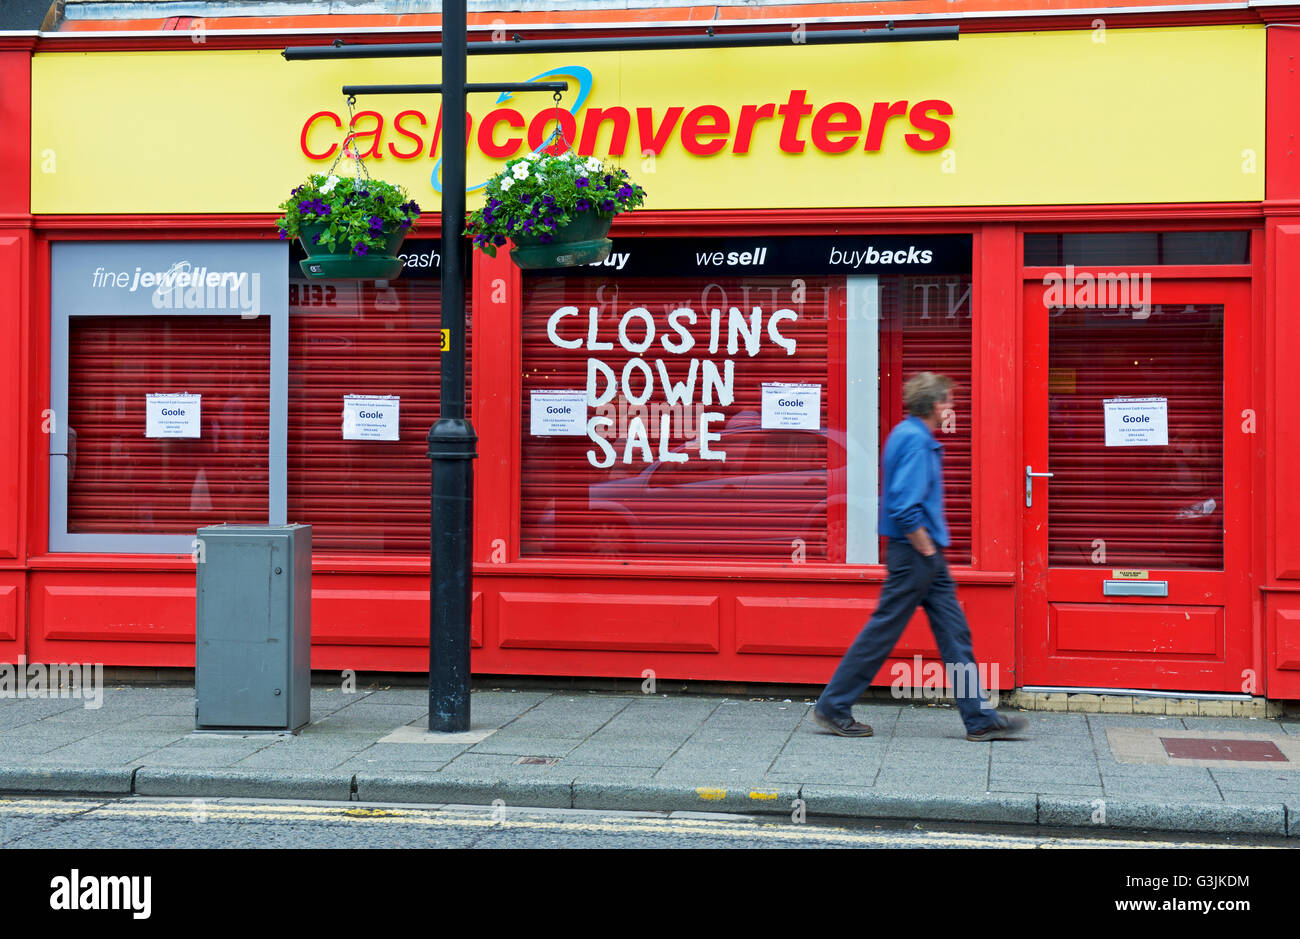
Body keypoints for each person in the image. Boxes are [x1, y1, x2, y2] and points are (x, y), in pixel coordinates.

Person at [812, 372, 1028, 742]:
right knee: (884, 631)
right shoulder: (915, 441)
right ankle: (833, 706)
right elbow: (903, 505)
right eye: (948, 401)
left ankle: (979, 717)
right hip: (916, 554)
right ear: (933, 405)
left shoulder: (907, 434)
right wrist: (926, 549)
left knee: (954, 635)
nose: (951, 408)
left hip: (923, 555)